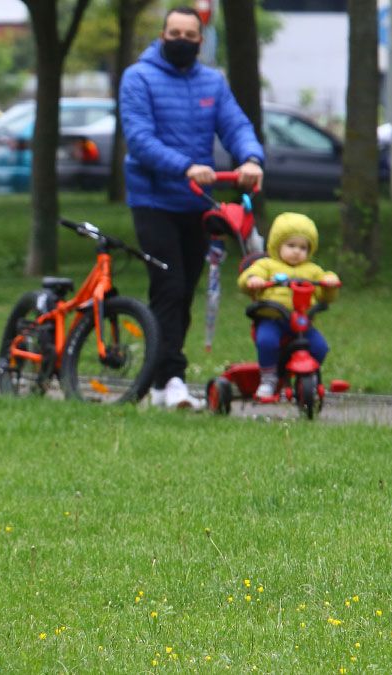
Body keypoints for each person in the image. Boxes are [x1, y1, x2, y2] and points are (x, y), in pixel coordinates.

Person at [119, 6, 265, 409]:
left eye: (189, 34)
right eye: (174, 32)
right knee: (168, 287)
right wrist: (185, 166)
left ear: (200, 41)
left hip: (196, 203)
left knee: (183, 292)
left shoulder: (211, 83)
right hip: (153, 200)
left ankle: (159, 381)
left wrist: (251, 158)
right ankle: (173, 377)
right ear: (162, 35)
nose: (181, 39)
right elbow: (140, 138)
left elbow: (236, 125)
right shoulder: (139, 78)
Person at [237, 213, 339, 399]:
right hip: (272, 319)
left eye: (303, 247)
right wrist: (254, 280)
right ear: (277, 245)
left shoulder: (312, 270)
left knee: (319, 346)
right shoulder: (267, 265)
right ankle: (269, 378)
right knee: (266, 341)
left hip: (301, 321)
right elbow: (250, 276)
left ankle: (308, 376)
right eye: (291, 245)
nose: (296, 251)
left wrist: (329, 283)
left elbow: (325, 295)